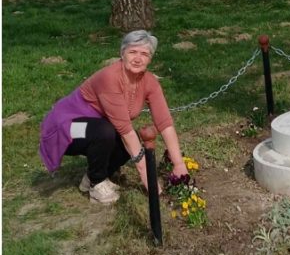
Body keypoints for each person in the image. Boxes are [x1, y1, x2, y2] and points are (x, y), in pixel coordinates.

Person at [39, 30, 188, 204]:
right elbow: (125, 131)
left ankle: (90, 178)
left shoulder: (150, 82)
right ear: (122, 53)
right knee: (106, 132)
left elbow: (165, 123)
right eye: (132, 52)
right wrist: (148, 178)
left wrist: (179, 164)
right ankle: (97, 183)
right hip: (65, 127)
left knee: (125, 142)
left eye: (144, 54)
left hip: (94, 126)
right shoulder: (109, 77)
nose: (138, 58)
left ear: (150, 59)